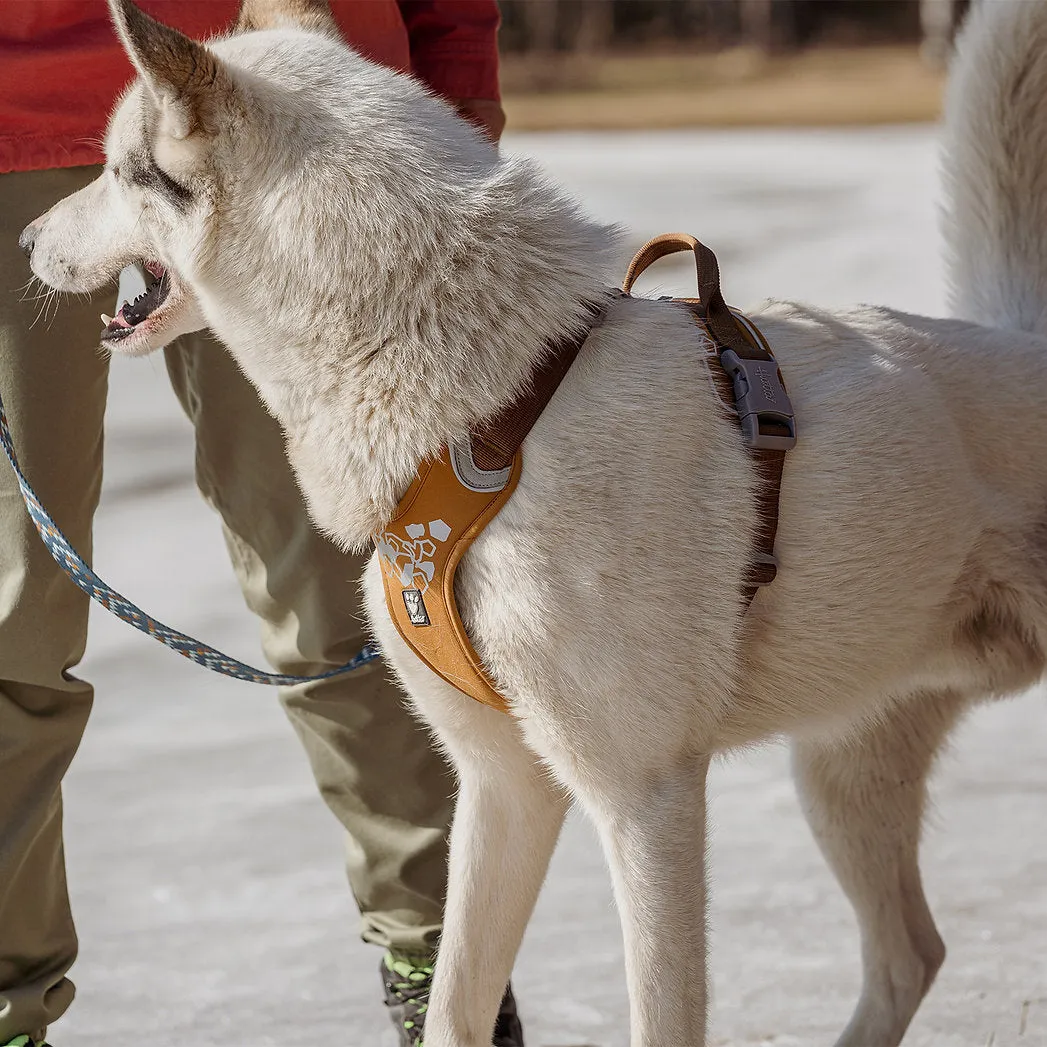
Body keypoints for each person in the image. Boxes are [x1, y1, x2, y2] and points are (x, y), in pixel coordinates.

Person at [0, 3, 518, 1046]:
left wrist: (453, 107)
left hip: (298, 134)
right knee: (16, 611)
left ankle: (444, 965)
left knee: (355, 587)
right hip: (24, 126)